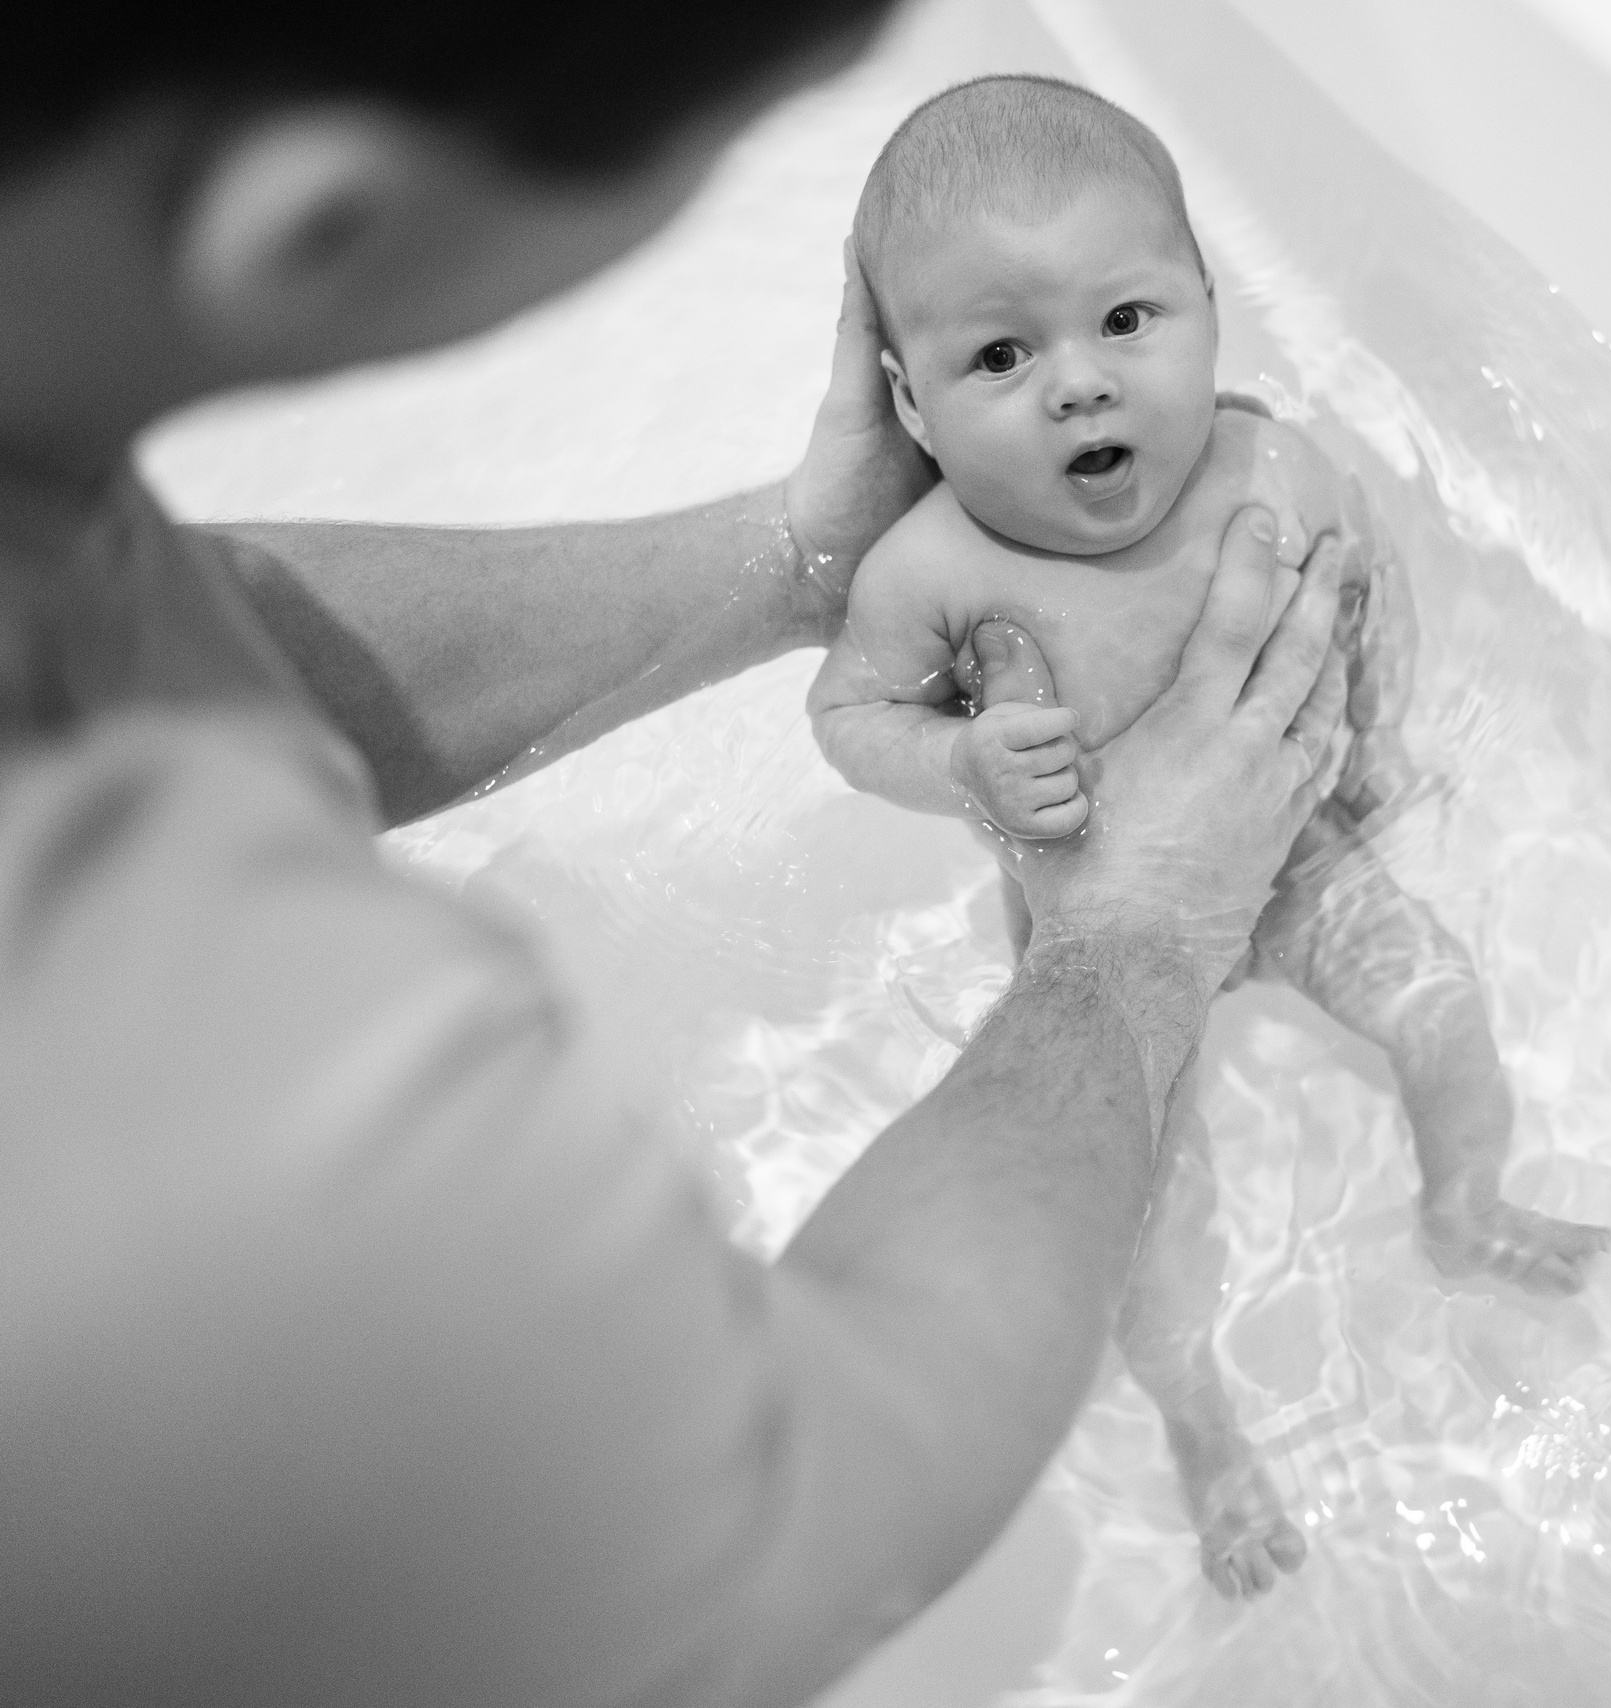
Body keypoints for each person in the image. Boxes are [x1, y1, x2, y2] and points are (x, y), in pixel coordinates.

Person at [0, 7, 1351, 1705]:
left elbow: (171, 626)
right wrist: (1141, 927)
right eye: (716, 146)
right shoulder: (234, 1136)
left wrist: (802, 560)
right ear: (321, 228)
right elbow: (798, 1512)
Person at [806, 75, 1611, 1600]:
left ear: (1205, 303)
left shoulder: (1277, 466)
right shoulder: (930, 570)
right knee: (1141, 1210)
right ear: (911, 405)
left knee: (1443, 1011)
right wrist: (962, 761)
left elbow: (1369, 579)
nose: (1080, 386)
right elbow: (847, 723)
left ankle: (1463, 1200)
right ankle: (1202, 1427)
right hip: (1089, 934)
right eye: (999, 354)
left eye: (1126, 320)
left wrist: (1377, 739)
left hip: (1298, 870)